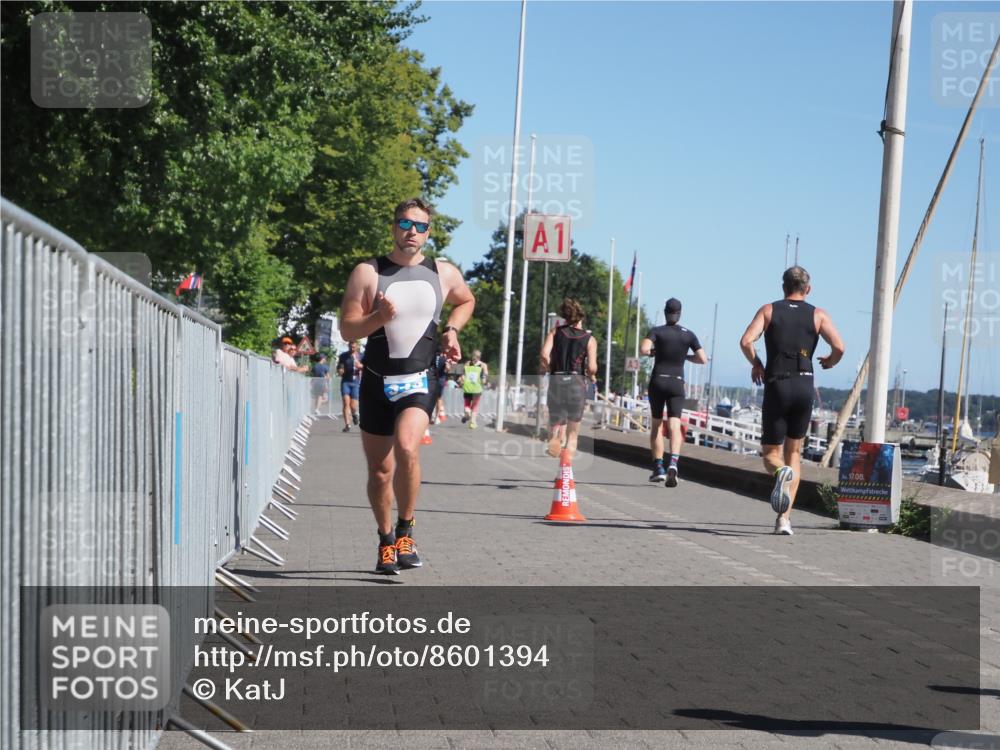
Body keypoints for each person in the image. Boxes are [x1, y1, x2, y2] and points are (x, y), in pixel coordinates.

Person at [339, 198, 475, 574]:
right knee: (380, 471)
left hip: (419, 379)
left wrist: (451, 329)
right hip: (376, 382)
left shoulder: (443, 272)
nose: (412, 232)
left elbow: (466, 300)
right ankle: (385, 541)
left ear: (428, 233)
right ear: (394, 227)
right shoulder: (368, 272)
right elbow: (348, 328)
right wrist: (377, 318)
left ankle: (406, 530)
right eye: (405, 224)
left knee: (407, 446)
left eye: (420, 226)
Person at [739, 266, 844, 535]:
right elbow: (839, 347)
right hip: (804, 385)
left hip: (777, 384)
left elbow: (746, 341)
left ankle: (779, 474)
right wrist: (829, 362)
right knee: (794, 452)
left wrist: (757, 364)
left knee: (771, 455)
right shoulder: (818, 314)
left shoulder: (768, 310)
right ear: (807, 289)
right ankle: (784, 520)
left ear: (783, 287)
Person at [640, 298, 707, 486]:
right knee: (675, 425)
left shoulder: (657, 331)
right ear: (680, 314)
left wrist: (654, 352)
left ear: (665, 312)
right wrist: (685, 357)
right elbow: (702, 359)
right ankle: (674, 463)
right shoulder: (689, 335)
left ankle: (659, 468)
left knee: (656, 425)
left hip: (658, 380)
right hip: (677, 383)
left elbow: (644, 349)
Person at [540, 298, 598, 460]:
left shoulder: (555, 332)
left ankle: (555, 439)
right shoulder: (589, 339)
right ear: (581, 318)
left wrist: (550, 367)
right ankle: (565, 472)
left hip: (557, 380)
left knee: (556, 420)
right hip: (576, 383)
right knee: (573, 434)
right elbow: (592, 367)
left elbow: (544, 354)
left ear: (565, 317)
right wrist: (590, 373)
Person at [337, 340, 364, 432]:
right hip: (346, 381)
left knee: (353, 405)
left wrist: (361, 366)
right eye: (350, 347)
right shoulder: (343, 356)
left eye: (353, 347)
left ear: (357, 347)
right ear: (348, 346)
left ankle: (354, 414)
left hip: (356, 382)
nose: (352, 348)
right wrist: (340, 370)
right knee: (346, 402)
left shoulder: (361, 356)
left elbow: (367, 367)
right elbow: (340, 366)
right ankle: (347, 425)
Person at [460, 351, 488, 429]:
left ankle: (467, 413)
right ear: (480, 357)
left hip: (467, 387)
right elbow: (485, 377)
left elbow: (463, 376)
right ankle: (472, 422)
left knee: (467, 403)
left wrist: (462, 381)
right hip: (477, 388)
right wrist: (484, 381)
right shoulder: (483, 365)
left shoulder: (467, 363)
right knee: (475, 406)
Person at [433, 351, 450, 423]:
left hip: (432, 379)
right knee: (439, 399)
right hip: (441, 380)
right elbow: (447, 368)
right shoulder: (444, 359)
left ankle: (431, 415)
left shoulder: (432, 357)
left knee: (430, 398)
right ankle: (436, 417)